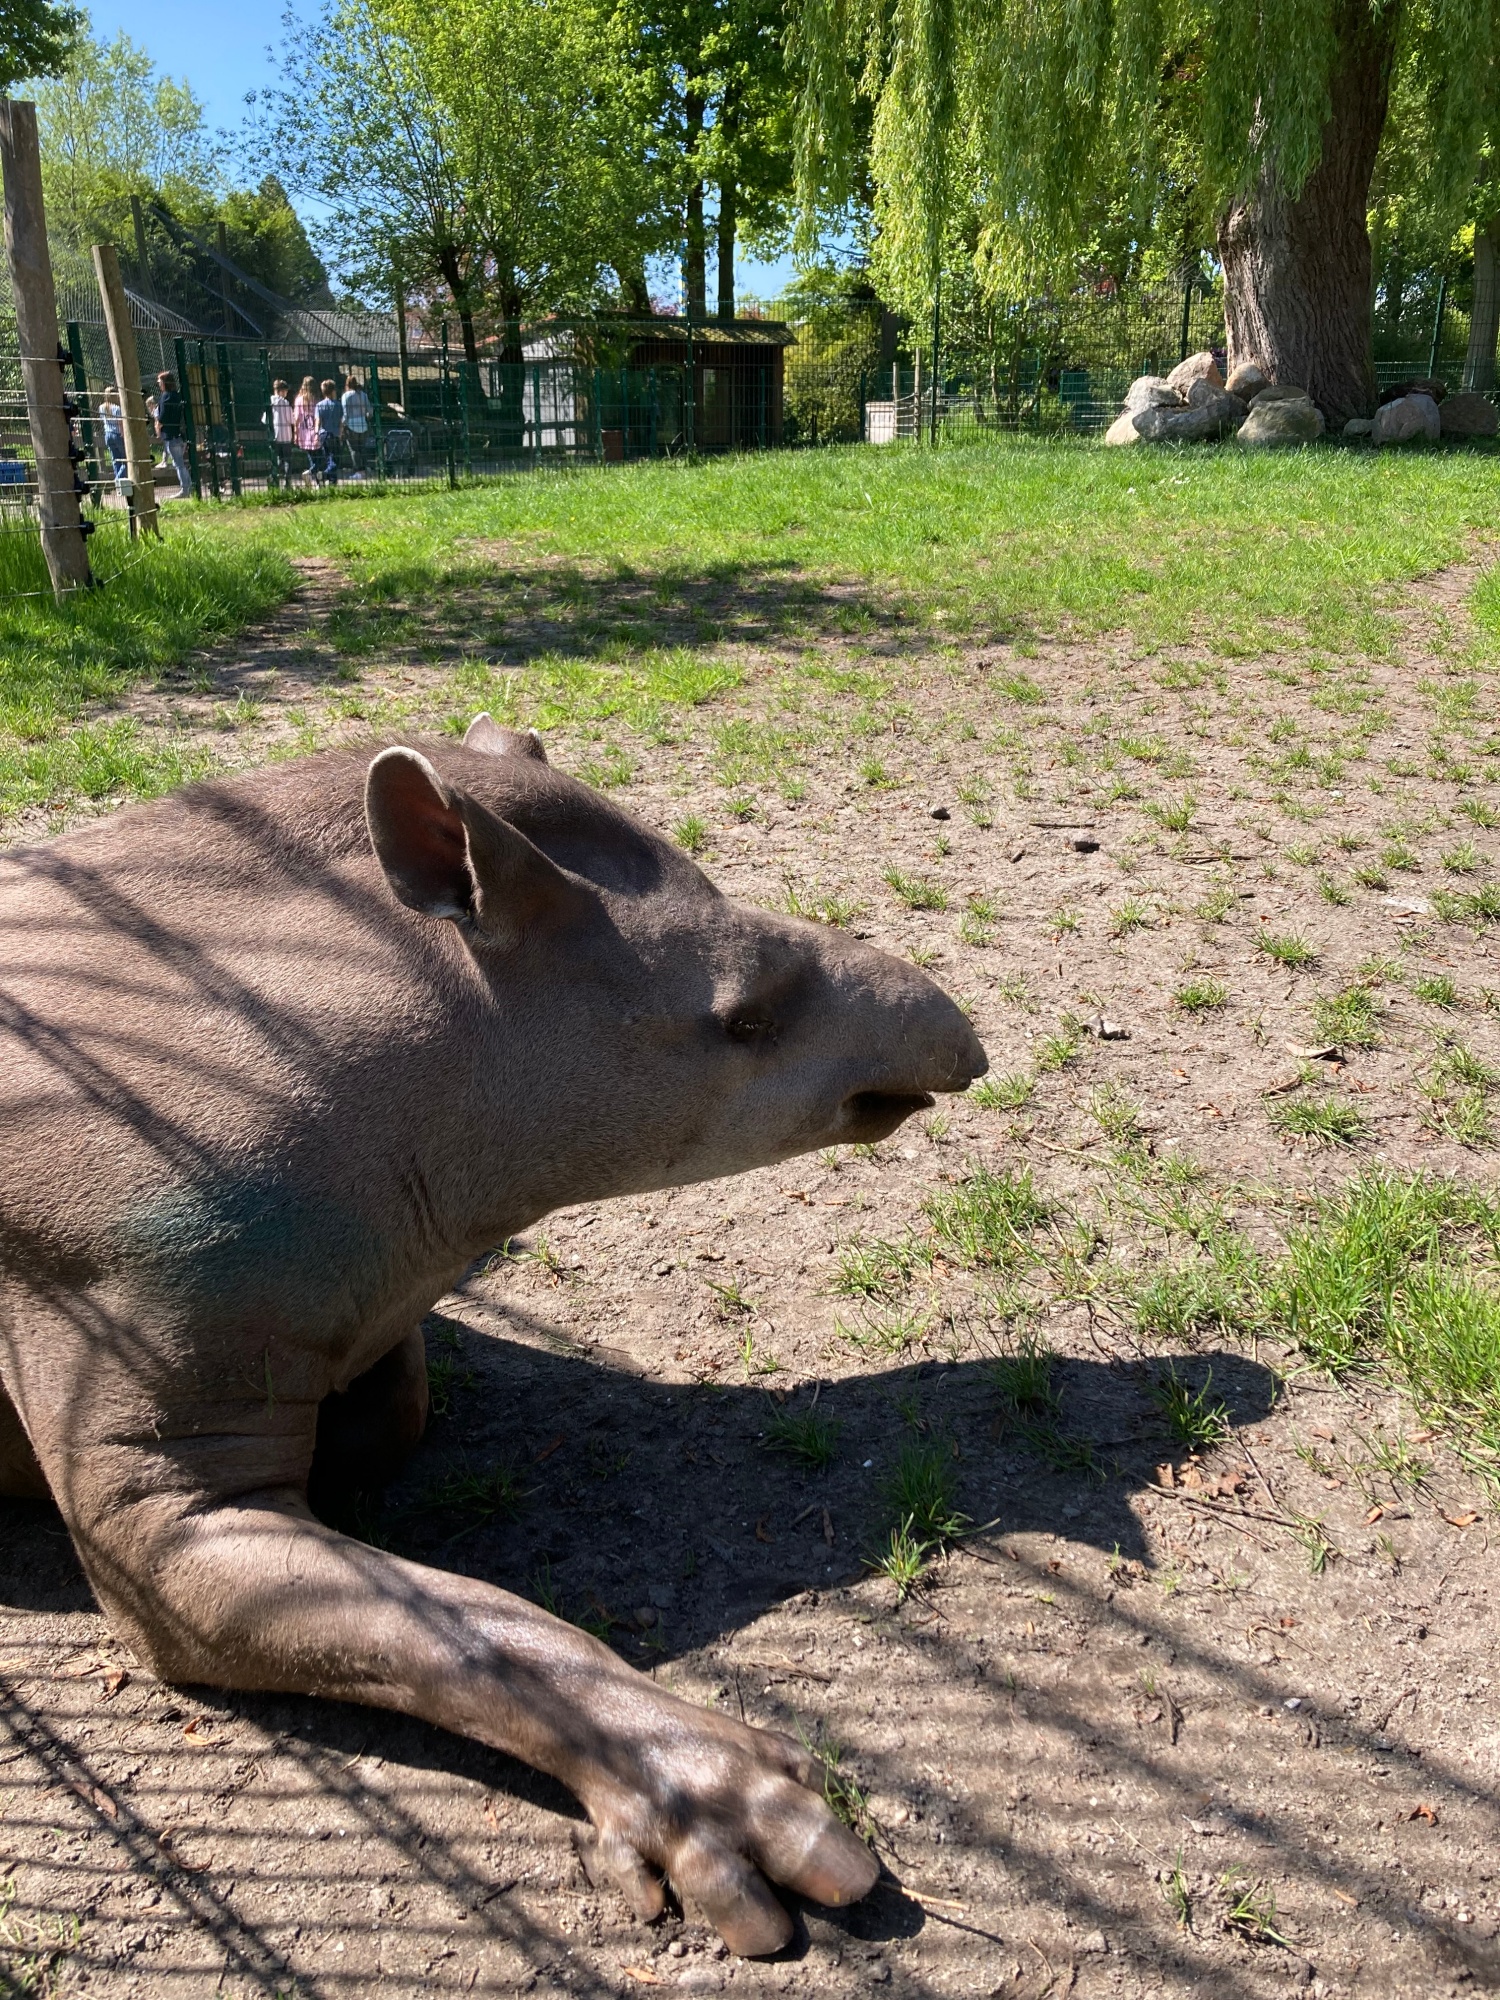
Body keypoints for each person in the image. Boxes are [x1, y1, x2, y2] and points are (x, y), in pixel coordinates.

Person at [153, 371, 192, 499]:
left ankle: (185, 490)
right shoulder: (177, 395)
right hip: (179, 434)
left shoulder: (165, 397)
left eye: (160, 382)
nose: (159, 384)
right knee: (180, 463)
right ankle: (189, 486)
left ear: (165, 383)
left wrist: (158, 423)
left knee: (178, 464)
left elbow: (163, 416)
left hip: (170, 435)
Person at [266, 378, 295, 487]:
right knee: (287, 460)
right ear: (281, 391)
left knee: (277, 459)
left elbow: (265, 419)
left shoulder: (269, 402)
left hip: (274, 435)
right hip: (285, 435)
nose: (286, 393)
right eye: (286, 391)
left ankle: (274, 479)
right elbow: (291, 420)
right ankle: (288, 482)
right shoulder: (285, 403)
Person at [340, 374, 371, 477]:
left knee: (354, 449)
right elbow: (370, 411)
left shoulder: (346, 396)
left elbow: (345, 413)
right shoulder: (363, 395)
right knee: (362, 448)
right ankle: (366, 469)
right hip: (363, 424)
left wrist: (343, 425)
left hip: (351, 425)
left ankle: (358, 471)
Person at [314, 377, 342, 486]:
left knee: (327, 458)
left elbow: (318, 421)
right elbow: (341, 421)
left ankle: (331, 481)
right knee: (335, 460)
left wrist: (316, 434)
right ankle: (326, 475)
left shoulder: (319, 405)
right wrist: (340, 433)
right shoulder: (338, 405)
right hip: (334, 434)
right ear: (333, 391)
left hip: (323, 434)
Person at [98, 387, 127, 489]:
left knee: (116, 460)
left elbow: (103, 420)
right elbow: (120, 423)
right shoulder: (117, 408)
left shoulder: (101, 407)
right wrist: (123, 434)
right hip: (117, 434)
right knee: (126, 460)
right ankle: (118, 480)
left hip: (108, 434)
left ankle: (119, 482)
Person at [293, 377, 320, 481]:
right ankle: (313, 474)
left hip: (304, 431)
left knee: (311, 457)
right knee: (319, 457)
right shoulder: (317, 399)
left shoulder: (299, 400)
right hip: (315, 431)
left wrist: (296, 433)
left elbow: (297, 418)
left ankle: (313, 475)